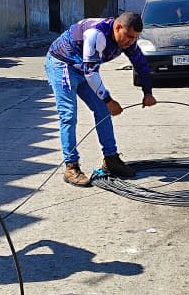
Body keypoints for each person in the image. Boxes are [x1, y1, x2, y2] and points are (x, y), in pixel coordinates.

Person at [45, 11, 156, 187]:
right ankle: (71, 166)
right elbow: (91, 73)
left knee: (103, 111)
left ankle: (111, 159)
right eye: (129, 36)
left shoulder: (128, 41)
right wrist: (109, 100)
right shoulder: (96, 34)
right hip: (63, 64)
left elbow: (141, 64)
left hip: (83, 67)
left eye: (135, 38)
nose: (131, 41)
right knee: (68, 115)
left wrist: (147, 92)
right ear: (118, 27)